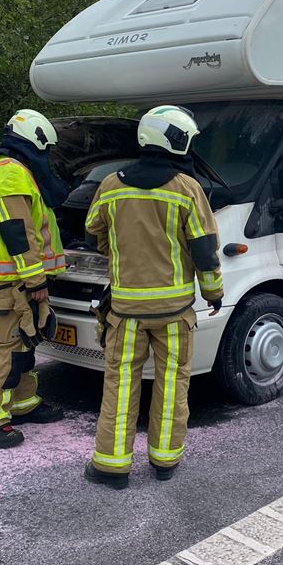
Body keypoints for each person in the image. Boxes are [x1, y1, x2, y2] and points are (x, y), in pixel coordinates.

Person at [84, 105, 223, 490]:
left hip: (126, 312)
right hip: (175, 312)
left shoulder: (111, 185)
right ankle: (164, 460)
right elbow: (205, 249)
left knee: (120, 382)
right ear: (175, 141)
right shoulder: (186, 189)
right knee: (172, 381)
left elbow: (93, 230)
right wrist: (213, 292)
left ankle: (112, 466)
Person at [0, 109, 68, 448]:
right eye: (46, 149)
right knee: (8, 349)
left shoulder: (17, 171)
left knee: (26, 343)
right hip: (9, 283)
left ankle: (24, 403)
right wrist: (36, 279)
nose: (47, 156)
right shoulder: (9, 173)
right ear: (36, 140)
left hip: (18, 280)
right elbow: (17, 232)